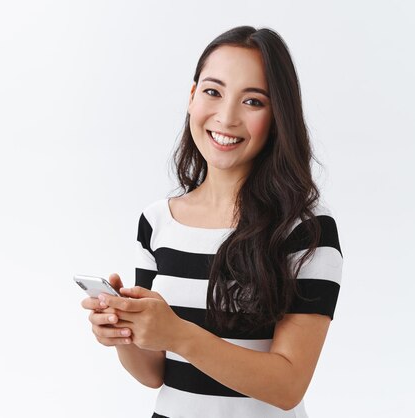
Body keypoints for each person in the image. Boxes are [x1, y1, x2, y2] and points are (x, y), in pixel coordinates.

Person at [80, 26, 342, 418]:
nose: (227, 116)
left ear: (277, 116)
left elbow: (288, 386)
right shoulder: (156, 222)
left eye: (253, 101)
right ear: (191, 96)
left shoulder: (305, 230)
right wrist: (124, 334)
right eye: (213, 91)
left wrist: (178, 334)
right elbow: (154, 374)